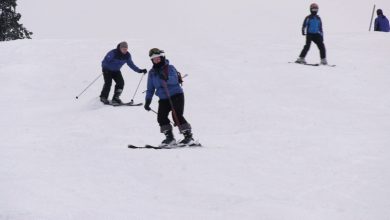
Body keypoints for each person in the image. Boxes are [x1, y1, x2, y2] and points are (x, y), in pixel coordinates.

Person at [144, 48, 195, 146]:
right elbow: (150, 88)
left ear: (162, 57)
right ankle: (170, 138)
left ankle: (188, 137)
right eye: (154, 59)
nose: (157, 60)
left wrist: (166, 78)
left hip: (176, 95)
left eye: (158, 58)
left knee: (176, 115)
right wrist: (147, 101)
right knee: (161, 117)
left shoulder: (169, 67)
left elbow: (175, 80)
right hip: (163, 98)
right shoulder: (152, 73)